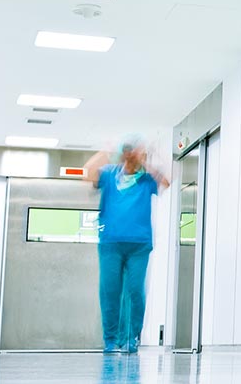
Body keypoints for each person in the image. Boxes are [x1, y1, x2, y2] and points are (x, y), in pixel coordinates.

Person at [82, 135, 167, 354]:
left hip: (139, 245)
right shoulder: (110, 174)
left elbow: (166, 181)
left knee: (135, 291)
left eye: (136, 152)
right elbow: (88, 172)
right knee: (110, 291)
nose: (132, 156)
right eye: (130, 152)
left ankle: (131, 338)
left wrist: (148, 157)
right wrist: (105, 150)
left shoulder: (147, 179)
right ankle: (110, 339)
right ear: (123, 154)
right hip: (110, 243)